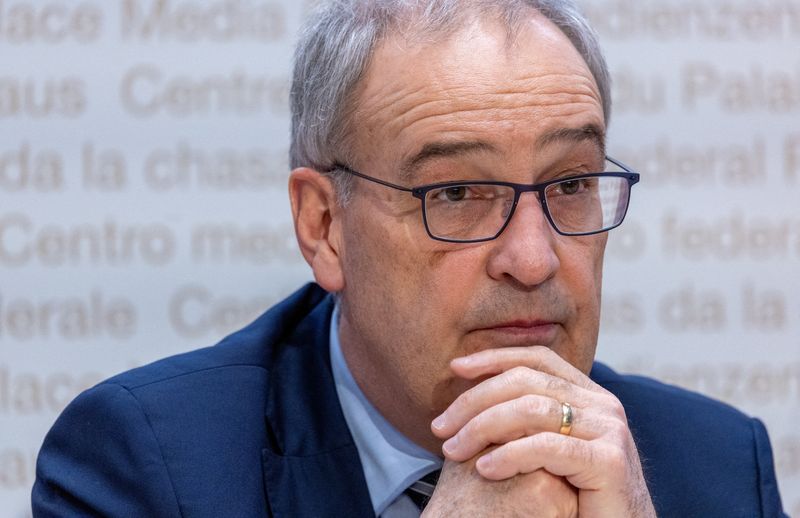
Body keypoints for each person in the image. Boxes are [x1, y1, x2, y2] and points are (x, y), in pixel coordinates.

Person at [32, 0, 787, 516]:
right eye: (457, 191)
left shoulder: (712, 467)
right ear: (324, 225)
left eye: (571, 183)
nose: (532, 259)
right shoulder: (149, 470)